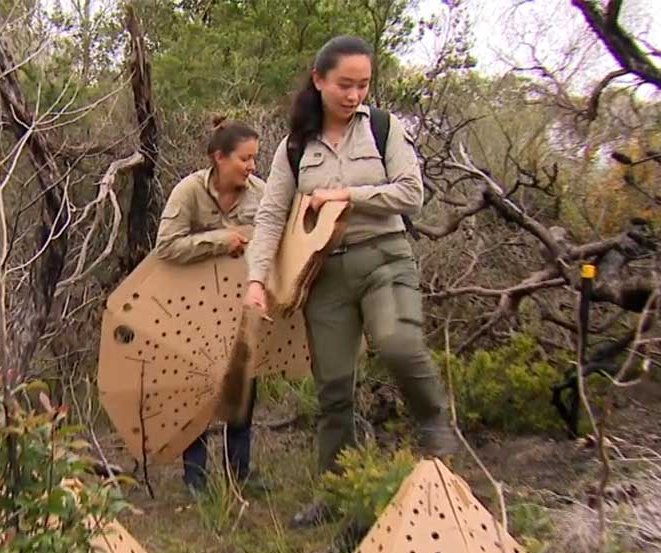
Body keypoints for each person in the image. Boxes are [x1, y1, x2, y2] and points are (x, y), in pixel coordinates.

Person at [242, 35, 458, 527]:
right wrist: (257, 279)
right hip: (327, 276)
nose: (354, 95)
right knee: (333, 389)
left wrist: (345, 194)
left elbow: (411, 193)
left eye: (363, 85)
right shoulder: (295, 147)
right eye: (344, 84)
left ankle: (433, 422)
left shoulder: (383, 129)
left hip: (384, 259)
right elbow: (272, 217)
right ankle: (335, 491)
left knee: (398, 342)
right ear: (319, 81)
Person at [152, 116, 269, 496]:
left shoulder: (261, 193)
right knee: (197, 393)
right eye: (244, 159)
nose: (251, 167)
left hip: (242, 306)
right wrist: (221, 240)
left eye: (254, 159)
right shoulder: (188, 192)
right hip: (194, 307)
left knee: (242, 390)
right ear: (219, 158)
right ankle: (196, 480)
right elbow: (166, 246)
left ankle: (241, 475)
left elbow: (273, 244)